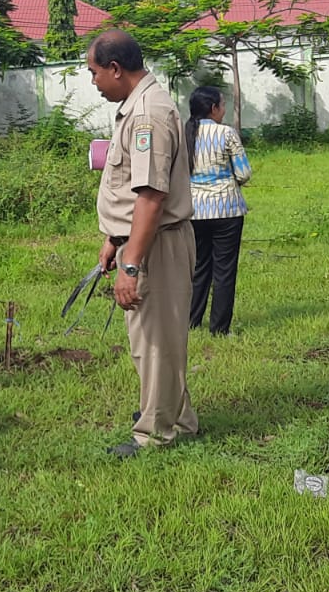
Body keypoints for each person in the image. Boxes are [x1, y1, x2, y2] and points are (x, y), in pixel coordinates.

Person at [87, 29, 198, 458]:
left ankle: (153, 434)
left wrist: (131, 264)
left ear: (115, 69)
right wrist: (115, 240)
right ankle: (178, 419)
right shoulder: (138, 107)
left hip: (157, 246)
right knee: (155, 339)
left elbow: (151, 196)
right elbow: (130, 191)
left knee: (154, 344)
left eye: (95, 72)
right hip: (143, 240)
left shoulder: (148, 114)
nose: (94, 82)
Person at [185, 86, 251, 336]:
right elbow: (244, 173)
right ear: (213, 108)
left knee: (198, 267)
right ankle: (220, 328)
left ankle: (191, 320)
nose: (224, 110)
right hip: (227, 210)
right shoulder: (226, 133)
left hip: (194, 211)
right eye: (222, 105)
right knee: (224, 270)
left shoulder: (184, 134)